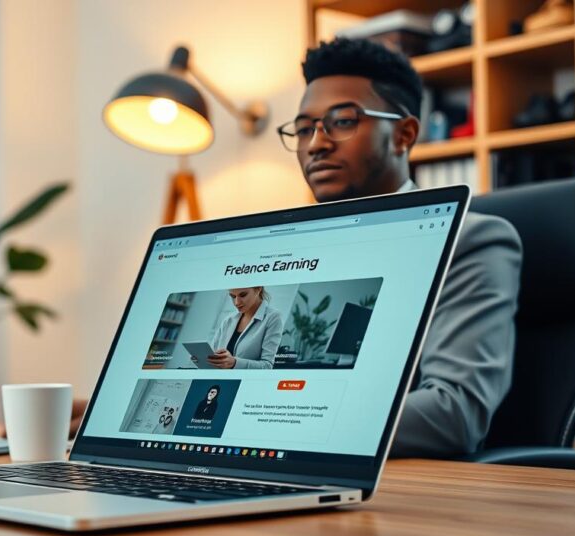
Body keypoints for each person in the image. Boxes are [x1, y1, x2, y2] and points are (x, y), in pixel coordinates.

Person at [273, 38, 521, 458]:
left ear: (404, 134)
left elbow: (454, 413)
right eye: (302, 129)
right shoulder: (290, 255)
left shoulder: (470, 240)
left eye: (342, 121)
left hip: (405, 490)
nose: (315, 144)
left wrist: (275, 422)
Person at [197, 287, 284, 369]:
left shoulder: (273, 317)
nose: (237, 302)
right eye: (233, 296)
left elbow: (267, 366)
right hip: (219, 382)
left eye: (243, 295)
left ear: (258, 289)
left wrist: (235, 363)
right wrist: (202, 359)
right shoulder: (228, 320)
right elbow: (213, 355)